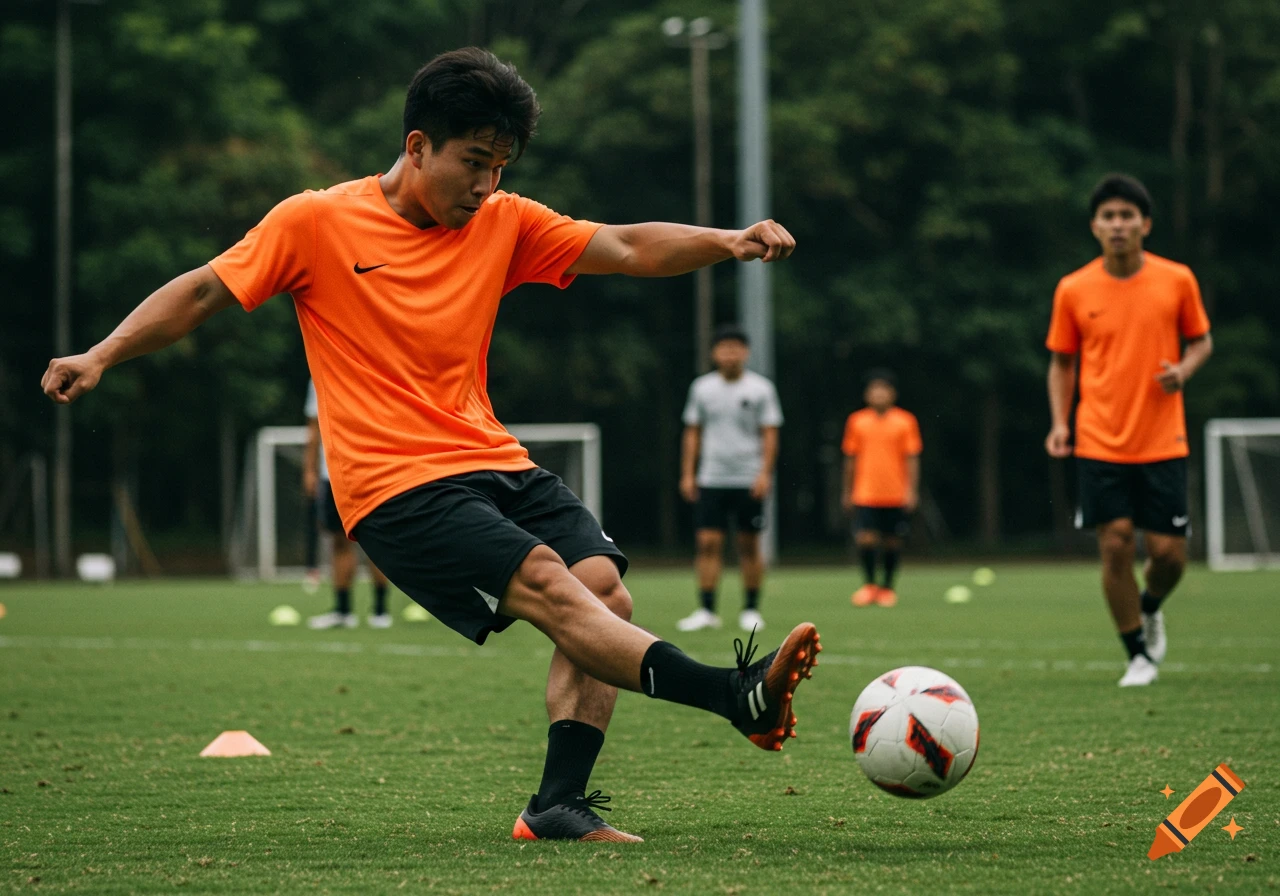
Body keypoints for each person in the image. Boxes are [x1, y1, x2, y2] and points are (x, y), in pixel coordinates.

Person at [41, 47, 818, 844]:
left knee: (603, 592)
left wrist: (726, 240)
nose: (486, 186)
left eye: (501, 166)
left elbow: (622, 246)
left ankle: (555, 806)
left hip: (492, 460)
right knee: (554, 583)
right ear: (417, 147)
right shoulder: (315, 221)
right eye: (473, 162)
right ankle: (733, 694)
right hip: (393, 486)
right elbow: (206, 287)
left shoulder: (505, 222)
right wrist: (101, 352)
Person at [1045, 173, 1212, 688]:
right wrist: (1059, 422)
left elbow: (1202, 342)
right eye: (1109, 217)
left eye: (1127, 216)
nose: (1118, 225)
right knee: (1115, 544)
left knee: (1168, 556)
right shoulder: (1073, 288)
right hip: (1098, 437)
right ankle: (1137, 652)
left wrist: (1182, 371)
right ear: (1095, 227)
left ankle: (1150, 605)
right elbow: (1061, 363)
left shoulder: (1177, 280)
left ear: (1145, 224)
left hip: (1163, 439)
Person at [677, 324, 783, 633]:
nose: (730, 354)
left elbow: (770, 434)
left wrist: (765, 473)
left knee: (748, 544)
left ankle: (751, 609)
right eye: (724, 348)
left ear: (746, 352)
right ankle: (707, 609)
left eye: (736, 348)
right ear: (714, 353)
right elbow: (692, 432)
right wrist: (688, 474)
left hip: (748, 478)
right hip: (711, 477)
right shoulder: (702, 388)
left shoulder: (761, 389)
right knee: (708, 542)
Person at [302, 379, 395, 629]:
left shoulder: (372, 369)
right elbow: (315, 425)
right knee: (340, 541)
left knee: (373, 540)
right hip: (334, 473)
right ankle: (347, 611)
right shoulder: (319, 371)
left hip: (368, 470)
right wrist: (310, 469)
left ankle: (379, 609)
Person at [841, 370, 922, 608]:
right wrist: (847, 490)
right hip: (865, 491)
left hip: (895, 492)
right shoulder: (857, 421)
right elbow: (850, 458)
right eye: (874, 390)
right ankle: (869, 586)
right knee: (865, 538)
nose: (879, 394)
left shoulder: (906, 421)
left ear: (893, 394)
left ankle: (887, 587)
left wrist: (911, 490)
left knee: (892, 541)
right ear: (867, 395)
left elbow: (912, 458)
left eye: (883, 389)